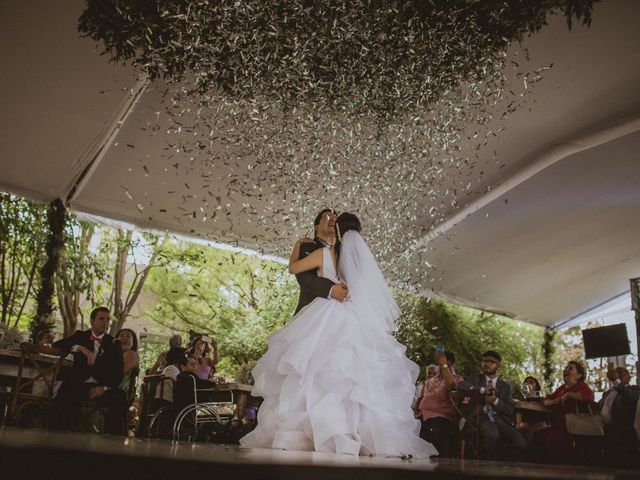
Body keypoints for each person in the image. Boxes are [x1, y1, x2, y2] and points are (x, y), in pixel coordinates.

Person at [240, 213, 436, 457]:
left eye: (335, 219)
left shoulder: (325, 253)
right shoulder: (356, 257)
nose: (331, 221)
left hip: (326, 316)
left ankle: (318, 433)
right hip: (353, 317)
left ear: (339, 230)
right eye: (327, 217)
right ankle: (359, 436)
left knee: (315, 373)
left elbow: (294, 268)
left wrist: (296, 247)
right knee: (354, 375)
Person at [50, 307, 127, 435]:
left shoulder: (114, 343)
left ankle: (113, 442)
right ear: (92, 321)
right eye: (101, 319)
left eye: (107, 320)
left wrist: (104, 388)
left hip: (100, 386)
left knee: (120, 396)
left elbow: (118, 372)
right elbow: (58, 344)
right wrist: (80, 348)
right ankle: (57, 437)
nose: (105, 323)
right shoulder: (80, 336)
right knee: (63, 396)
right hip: (79, 383)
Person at [456, 350, 527, 461]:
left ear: (498, 365)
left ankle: (506, 467)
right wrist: (482, 390)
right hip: (481, 417)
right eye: (484, 361)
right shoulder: (475, 379)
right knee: (493, 436)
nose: (486, 363)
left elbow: (509, 410)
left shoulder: (505, 387)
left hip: (501, 420)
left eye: (491, 361)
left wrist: (495, 401)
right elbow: (460, 386)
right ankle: (490, 470)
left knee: (520, 443)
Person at [537, 360, 595, 463]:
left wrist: (568, 395)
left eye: (570, 368)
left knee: (551, 439)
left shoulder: (581, 386)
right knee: (538, 436)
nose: (566, 370)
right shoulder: (561, 388)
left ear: (578, 375)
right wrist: (551, 401)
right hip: (558, 425)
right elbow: (546, 399)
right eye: (566, 368)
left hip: (573, 427)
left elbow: (589, 397)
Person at [293, 208, 349, 313]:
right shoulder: (308, 246)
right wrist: (331, 289)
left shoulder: (344, 251)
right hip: (312, 312)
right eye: (327, 216)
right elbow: (303, 275)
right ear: (316, 227)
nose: (333, 220)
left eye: (335, 218)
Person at [416, 350, 463, 456]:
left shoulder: (458, 379)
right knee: (409, 427)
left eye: (447, 364)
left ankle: (437, 462)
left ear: (453, 365)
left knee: (436, 430)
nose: (443, 367)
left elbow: (452, 387)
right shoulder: (430, 381)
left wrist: (444, 364)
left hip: (442, 417)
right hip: (422, 415)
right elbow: (420, 399)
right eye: (440, 364)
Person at [599, 367, 640, 468]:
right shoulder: (607, 393)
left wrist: (615, 380)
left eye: (622, 372)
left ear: (629, 377)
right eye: (616, 372)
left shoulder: (634, 389)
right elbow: (599, 407)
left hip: (624, 431)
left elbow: (628, 395)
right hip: (605, 429)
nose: (618, 374)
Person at [115, 328, 140, 404]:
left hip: (119, 391)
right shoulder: (116, 355)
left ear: (133, 343)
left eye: (128, 336)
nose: (124, 338)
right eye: (121, 336)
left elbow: (118, 373)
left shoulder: (131, 354)